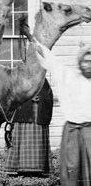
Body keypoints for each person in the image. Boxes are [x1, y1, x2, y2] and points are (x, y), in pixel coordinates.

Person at [36, 42, 91, 185]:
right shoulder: (68, 77)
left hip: (90, 133)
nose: (88, 65)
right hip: (72, 133)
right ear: (80, 62)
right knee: (72, 173)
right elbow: (51, 61)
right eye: (85, 61)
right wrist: (33, 40)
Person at [4, 79, 54, 176]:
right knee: (21, 140)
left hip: (38, 116)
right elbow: (13, 96)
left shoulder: (43, 80)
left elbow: (48, 96)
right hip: (22, 116)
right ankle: (19, 167)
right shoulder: (21, 78)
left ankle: (38, 168)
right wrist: (29, 98)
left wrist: (41, 98)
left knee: (38, 140)